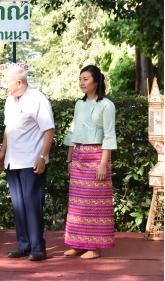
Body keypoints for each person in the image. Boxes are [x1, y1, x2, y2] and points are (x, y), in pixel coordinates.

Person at [0, 65, 55, 262]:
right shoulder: (9, 101)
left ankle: (38, 247)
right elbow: (8, 129)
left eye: (7, 82)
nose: (4, 85)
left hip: (31, 160)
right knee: (19, 205)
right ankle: (24, 245)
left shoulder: (37, 99)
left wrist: (42, 157)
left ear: (19, 82)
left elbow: (49, 130)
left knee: (32, 204)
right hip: (13, 161)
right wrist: (2, 153)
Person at [63, 65, 117, 260]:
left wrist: (103, 163)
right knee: (78, 204)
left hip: (97, 158)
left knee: (95, 204)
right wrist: (69, 158)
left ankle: (95, 247)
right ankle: (78, 244)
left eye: (86, 79)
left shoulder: (107, 105)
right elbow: (73, 132)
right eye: (80, 79)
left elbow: (109, 135)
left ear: (96, 82)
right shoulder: (79, 104)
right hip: (78, 157)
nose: (81, 83)